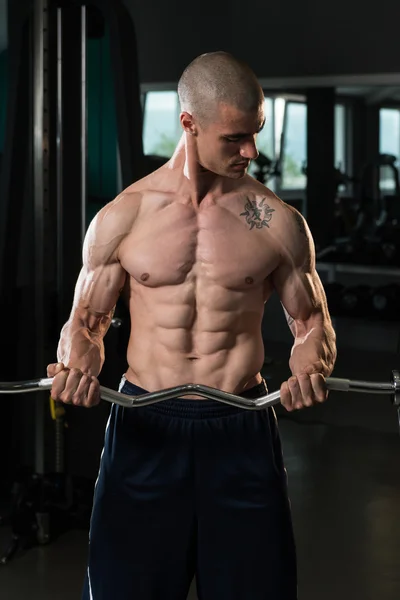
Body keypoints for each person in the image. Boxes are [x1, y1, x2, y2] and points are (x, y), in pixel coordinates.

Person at [47, 51, 337, 600]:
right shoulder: (124, 216)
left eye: (255, 134)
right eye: (234, 138)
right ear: (189, 124)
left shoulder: (275, 221)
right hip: (145, 425)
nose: (251, 152)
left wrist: (310, 367)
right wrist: (78, 362)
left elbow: (310, 322)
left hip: (241, 424)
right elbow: (86, 321)